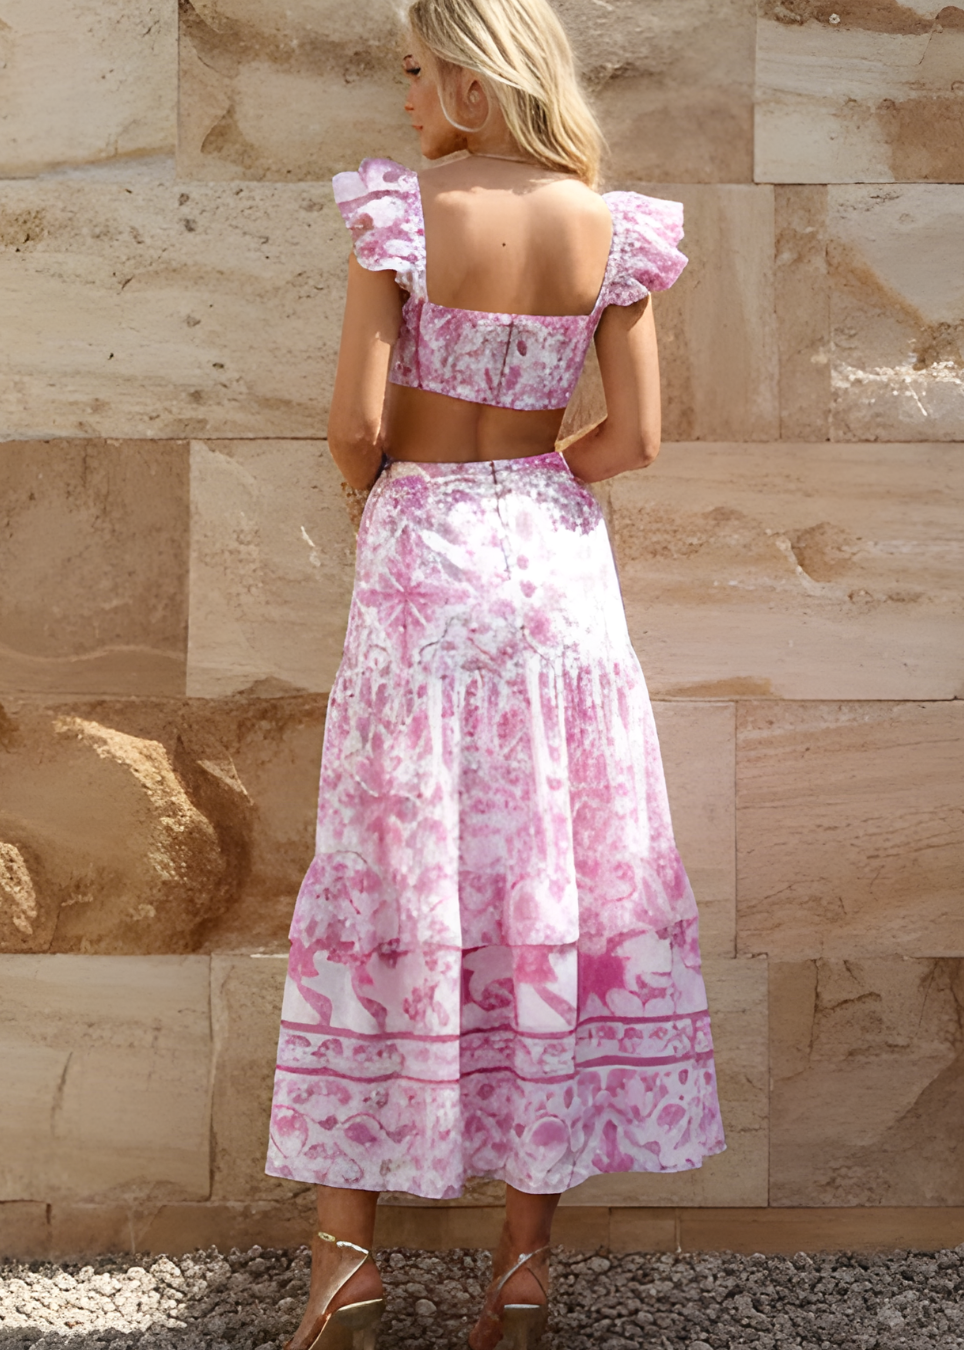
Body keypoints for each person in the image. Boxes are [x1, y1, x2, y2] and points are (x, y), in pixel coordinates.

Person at [265, 0, 725, 1345]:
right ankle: (522, 1275)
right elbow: (633, 437)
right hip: (556, 569)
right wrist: (534, 486)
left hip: (424, 553)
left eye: (416, 74)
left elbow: (354, 424)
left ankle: (345, 1269)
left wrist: (403, 493)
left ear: (468, 77)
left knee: (386, 876)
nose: (407, 102)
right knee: (552, 886)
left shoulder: (401, 216)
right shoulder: (613, 225)